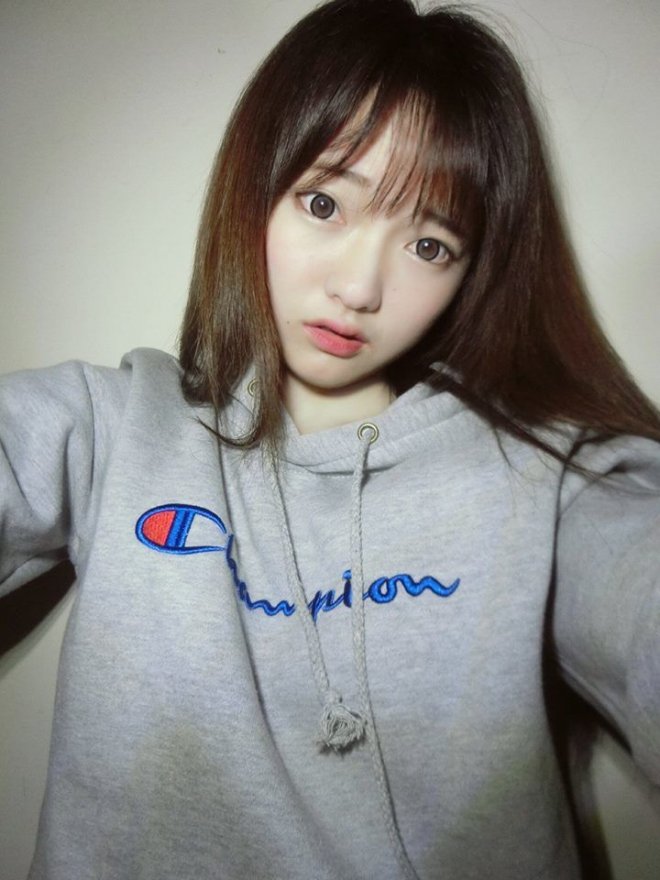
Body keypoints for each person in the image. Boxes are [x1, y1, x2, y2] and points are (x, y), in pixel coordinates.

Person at [1, 0, 659, 878]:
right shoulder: (118, 429)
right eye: (324, 203)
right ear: (255, 191)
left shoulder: (542, 477)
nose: (358, 287)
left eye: (430, 246)